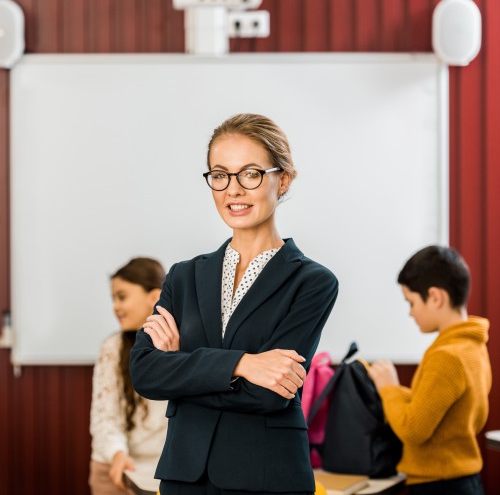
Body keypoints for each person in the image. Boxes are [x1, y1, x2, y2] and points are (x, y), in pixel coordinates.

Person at [130, 113, 339, 495]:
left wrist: (181, 366)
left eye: (251, 174)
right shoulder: (183, 276)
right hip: (184, 475)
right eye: (220, 175)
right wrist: (245, 363)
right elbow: (145, 373)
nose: (233, 190)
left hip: (267, 476)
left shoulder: (312, 282)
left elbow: (270, 392)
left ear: (283, 180)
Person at [369, 245, 491, 495]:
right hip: (464, 482)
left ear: (435, 297)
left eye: (411, 302)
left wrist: (389, 389)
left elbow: (413, 431)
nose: (410, 313)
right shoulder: (472, 347)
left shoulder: (446, 356)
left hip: (439, 486)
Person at [89, 257, 169, 494]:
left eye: (122, 297)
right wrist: (117, 452)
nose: (116, 306)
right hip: (115, 469)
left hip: (167, 473)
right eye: (113, 298)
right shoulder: (113, 348)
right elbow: (105, 417)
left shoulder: (183, 346)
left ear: (154, 297)